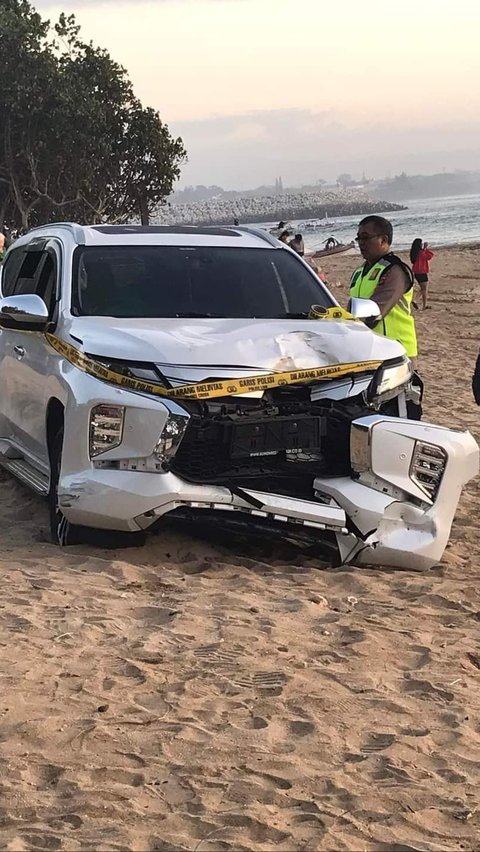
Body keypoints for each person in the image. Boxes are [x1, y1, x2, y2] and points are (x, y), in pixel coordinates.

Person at [349, 215, 417, 358]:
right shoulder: (360, 272)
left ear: (384, 240)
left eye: (366, 238)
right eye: (358, 238)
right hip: (369, 350)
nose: (361, 243)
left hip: (396, 352)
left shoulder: (395, 270)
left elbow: (374, 314)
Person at [410, 238, 434, 310]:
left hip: (416, 272)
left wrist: (424, 249)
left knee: (423, 289)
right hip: (422, 272)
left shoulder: (413, 253)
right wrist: (425, 249)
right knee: (424, 289)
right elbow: (429, 256)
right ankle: (421, 303)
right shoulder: (421, 253)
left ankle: (419, 302)